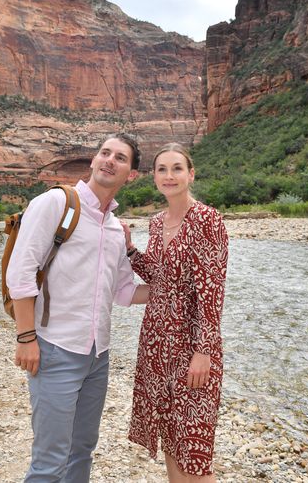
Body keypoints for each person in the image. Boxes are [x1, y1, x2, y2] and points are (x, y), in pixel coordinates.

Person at [6, 133, 149, 482]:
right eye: (104, 153)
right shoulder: (56, 203)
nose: (109, 160)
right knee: (49, 459)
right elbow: (20, 273)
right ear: (92, 160)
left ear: (131, 174)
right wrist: (26, 337)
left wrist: (175, 289)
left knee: (82, 449)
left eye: (120, 157)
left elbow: (123, 292)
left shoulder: (116, 229)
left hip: (97, 357)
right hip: (54, 349)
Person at [123, 143, 229, 482]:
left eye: (177, 168)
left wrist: (203, 351)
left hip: (191, 345)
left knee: (194, 450)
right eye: (162, 169)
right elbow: (158, 277)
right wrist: (129, 251)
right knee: (170, 437)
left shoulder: (207, 219)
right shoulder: (155, 223)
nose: (169, 176)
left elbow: (212, 293)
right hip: (155, 342)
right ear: (154, 176)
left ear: (190, 174)